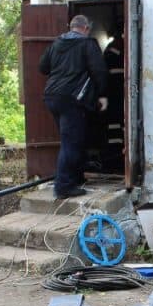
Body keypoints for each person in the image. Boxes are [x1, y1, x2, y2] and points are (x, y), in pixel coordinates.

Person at [39, 14, 109, 198]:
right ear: (86, 28)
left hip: (52, 97)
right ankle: (63, 187)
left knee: (72, 139)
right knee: (72, 142)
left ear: (71, 27)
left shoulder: (57, 43)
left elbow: (43, 67)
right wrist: (102, 94)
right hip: (72, 98)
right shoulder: (88, 44)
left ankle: (75, 178)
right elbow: (99, 70)